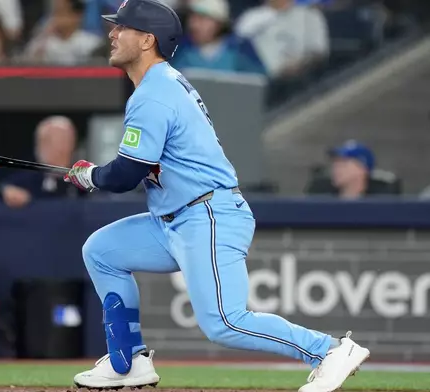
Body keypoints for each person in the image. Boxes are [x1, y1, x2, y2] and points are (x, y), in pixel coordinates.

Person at [62, 1, 370, 392]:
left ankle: (329, 351)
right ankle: (130, 362)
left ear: (146, 40)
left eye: (121, 28)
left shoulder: (154, 94)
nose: (112, 33)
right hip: (175, 217)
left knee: (224, 321)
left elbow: (125, 174)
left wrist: (91, 176)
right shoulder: (161, 84)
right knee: (102, 250)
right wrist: (96, 174)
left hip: (206, 213)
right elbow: (134, 167)